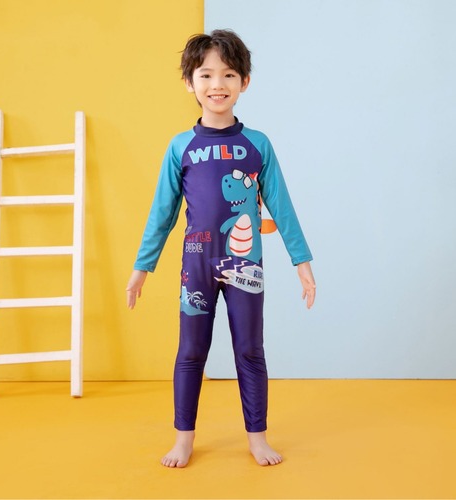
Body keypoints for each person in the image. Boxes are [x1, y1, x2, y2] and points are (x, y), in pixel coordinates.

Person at [126, 29, 316, 468]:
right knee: (191, 352)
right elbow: (162, 213)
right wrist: (142, 267)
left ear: (244, 82)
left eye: (229, 74)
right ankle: (183, 439)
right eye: (206, 74)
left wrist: (302, 261)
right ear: (189, 83)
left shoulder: (257, 144)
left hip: (246, 265)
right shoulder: (181, 146)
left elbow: (281, 206)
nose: (218, 84)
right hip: (196, 265)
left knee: (250, 349)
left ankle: (257, 438)